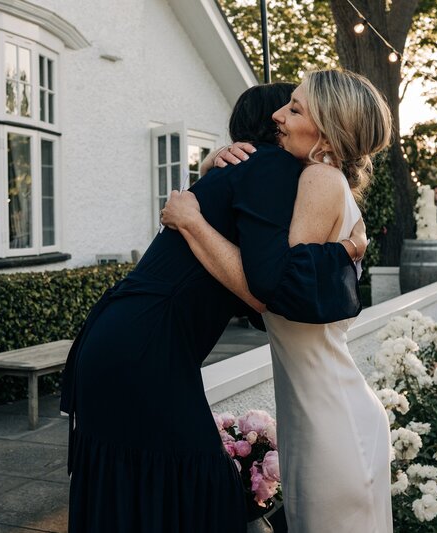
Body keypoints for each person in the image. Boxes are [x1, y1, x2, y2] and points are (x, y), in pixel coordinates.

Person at [59, 83, 366, 533]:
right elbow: (270, 292)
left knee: (152, 489)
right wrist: (344, 251)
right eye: (285, 107)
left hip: (121, 340)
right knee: (199, 490)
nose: (285, 115)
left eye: (295, 108)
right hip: (145, 348)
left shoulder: (238, 173)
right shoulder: (271, 168)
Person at [162, 70, 394, 533]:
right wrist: (214, 167)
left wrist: (191, 221)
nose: (276, 115)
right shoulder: (325, 183)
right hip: (321, 412)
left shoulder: (320, 179)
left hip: (332, 421)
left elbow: (273, 288)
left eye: (294, 108)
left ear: (327, 132)